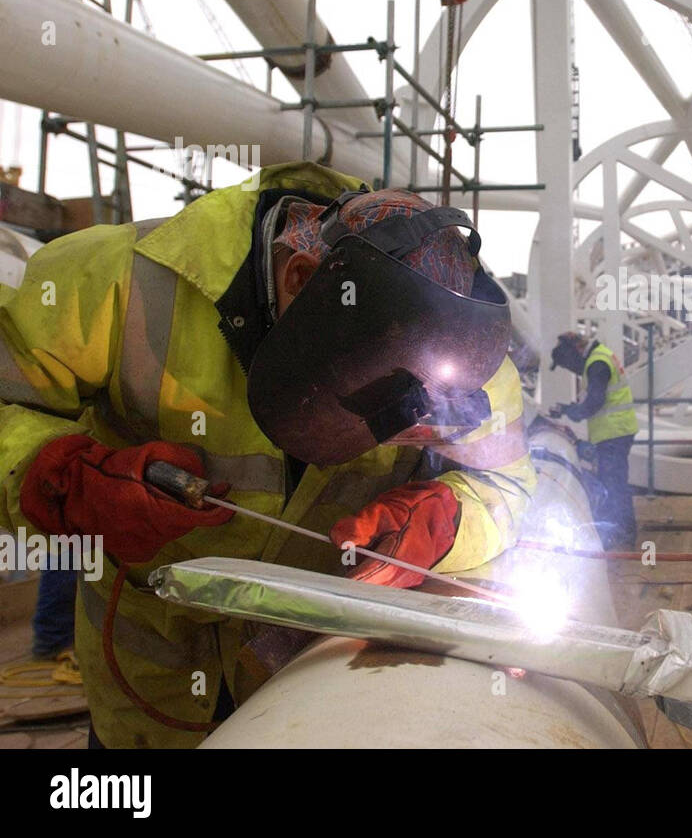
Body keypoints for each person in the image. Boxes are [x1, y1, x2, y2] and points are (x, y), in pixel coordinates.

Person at [0, 161, 534, 748]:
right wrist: (58, 479)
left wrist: (446, 522)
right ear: (302, 279)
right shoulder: (121, 283)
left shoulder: (468, 366)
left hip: (317, 693)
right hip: (151, 694)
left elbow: (504, 489)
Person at [548, 332, 639, 549]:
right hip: (616, 431)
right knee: (613, 483)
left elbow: (594, 402)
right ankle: (621, 532)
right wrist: (569, 408)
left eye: (569, 364)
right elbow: (593, 397)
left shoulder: (597, 363)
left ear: (577, 351)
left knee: (613, 484)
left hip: (613, 432)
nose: (572, 370)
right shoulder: (599, 357)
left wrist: (573, 412)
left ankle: (622, 535)